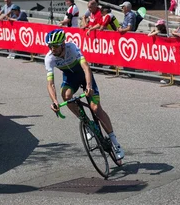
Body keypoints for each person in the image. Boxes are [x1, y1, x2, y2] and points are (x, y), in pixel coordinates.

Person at [45, 29, 124, 160]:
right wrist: (54, 101)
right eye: (50, 46)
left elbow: (86, 67)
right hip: (70, 79)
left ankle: (115, 142)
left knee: (96, 109)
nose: (52, 49)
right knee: (66, 96)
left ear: (63, 44)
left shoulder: (72, 47)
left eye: (55, 46)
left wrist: (89, 86)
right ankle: (86, 124)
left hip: (85, 77)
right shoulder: (49, 58)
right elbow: (50, 83)